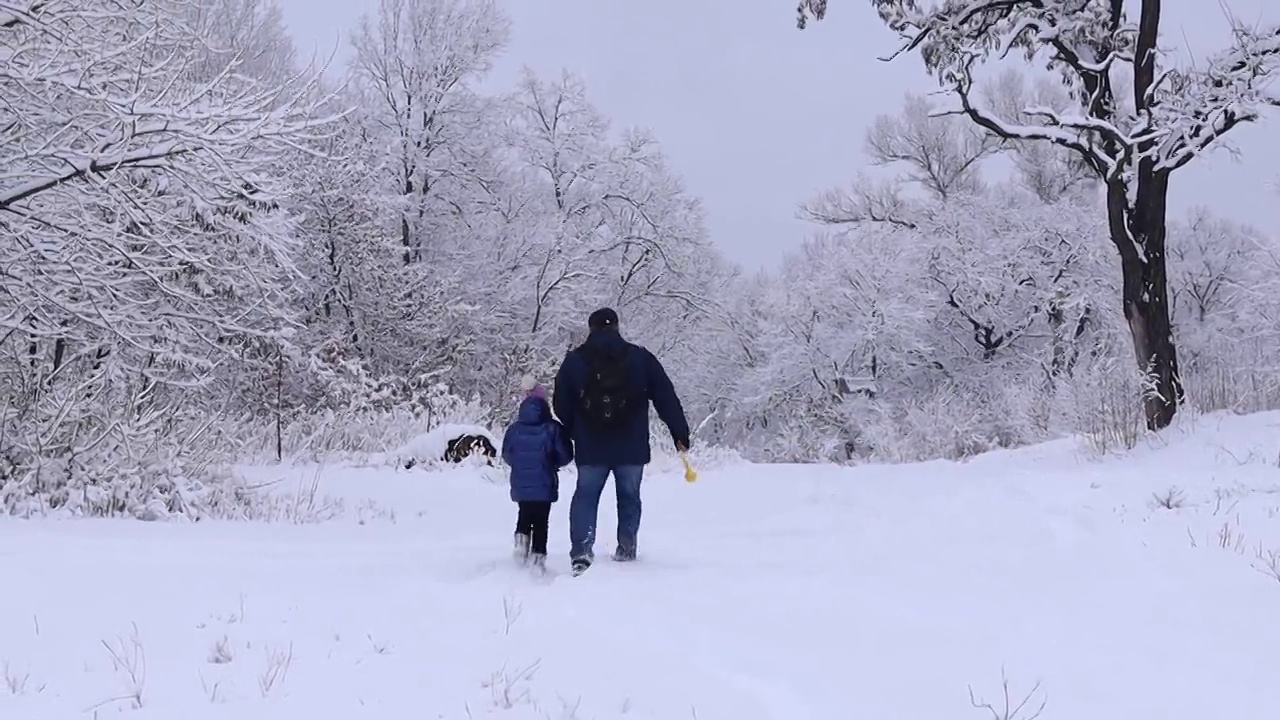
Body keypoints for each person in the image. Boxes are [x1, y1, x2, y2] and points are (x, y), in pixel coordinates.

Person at [553, 307, 690, 574]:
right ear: (616, 327)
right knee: (629, 497)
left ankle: (582, 552)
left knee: (586, 497)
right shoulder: (640, 358)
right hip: (632, 446)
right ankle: (626, 549)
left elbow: (561, 403)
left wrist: (574, 428)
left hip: (591, 446)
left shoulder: (574, 361)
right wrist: (679, 432)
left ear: (590, 328)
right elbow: (665, 395)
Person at [502, 376, 574, 573]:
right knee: (542, 520)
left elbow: (507, 454)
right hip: (544, 481)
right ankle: (537, 557)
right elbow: (566, 455)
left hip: (521, 482)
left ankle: (521, 539)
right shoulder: (553, 428)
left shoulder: (514, 429)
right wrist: (553, 464)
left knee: (524, 513)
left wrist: (519, 465)